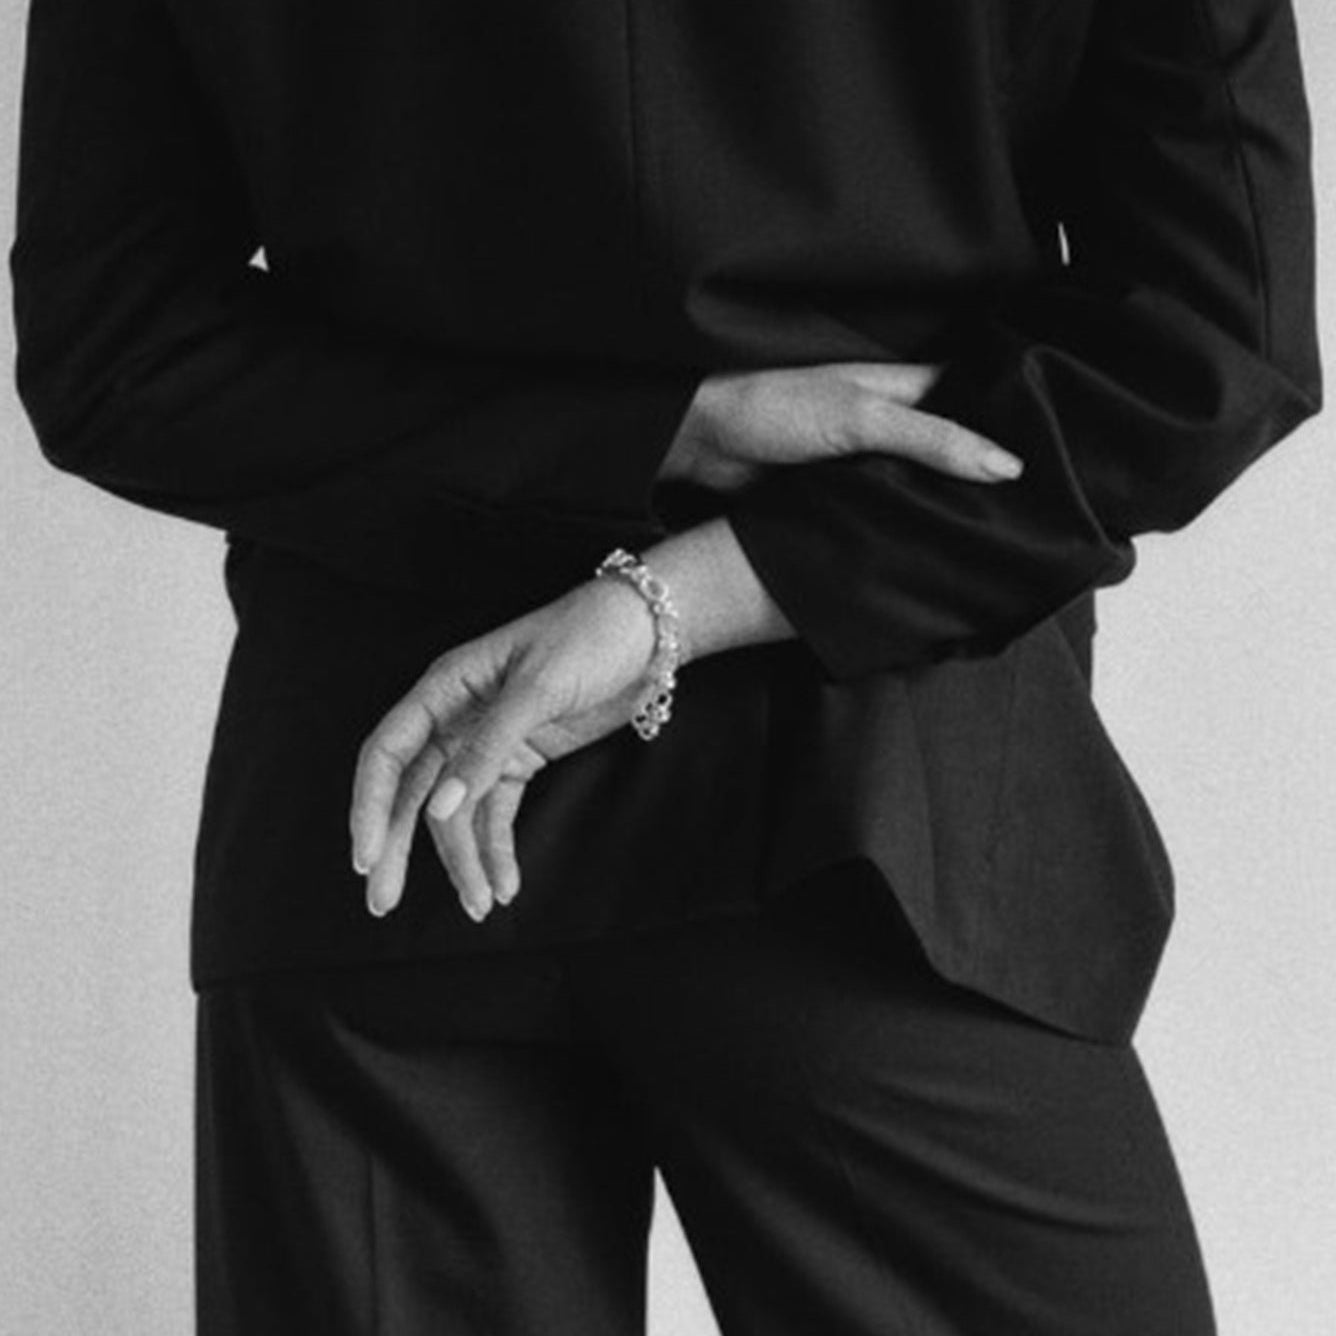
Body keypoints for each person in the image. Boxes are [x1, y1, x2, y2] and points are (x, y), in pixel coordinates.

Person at [11, 0, 1320, 1332]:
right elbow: (1214, 344)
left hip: (397, 802)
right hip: (864, 805)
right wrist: (708, 561)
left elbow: (115, 344)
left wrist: (655, 469)